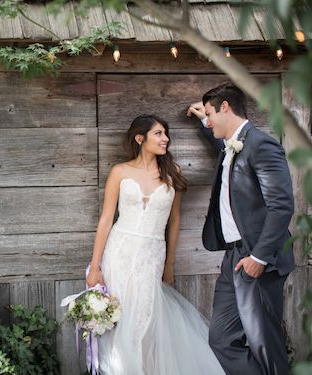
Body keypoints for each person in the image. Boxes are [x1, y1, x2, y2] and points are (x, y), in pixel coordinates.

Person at [86, 114, 225, 374]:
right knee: (119, 317)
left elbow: (174, 222)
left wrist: (169, 263)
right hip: (119, 251)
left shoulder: (173, 173)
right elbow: (106, 219)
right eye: (159, 134)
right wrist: (95, 267)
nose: (166, 139)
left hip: (151, 255)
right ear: (140, 138)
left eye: (166, 133)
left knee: (145, 320)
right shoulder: (120, 171)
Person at [187, 83, 294, 375]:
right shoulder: (232, 145)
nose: (208, 120)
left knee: (264, 344)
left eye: (210, 113)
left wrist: (259, 258)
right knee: (221, 340)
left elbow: (281, 206)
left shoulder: (262, 144)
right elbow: (224, 148)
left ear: (225, 107)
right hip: (233, 258)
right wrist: (201, 120)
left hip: (258, 257)